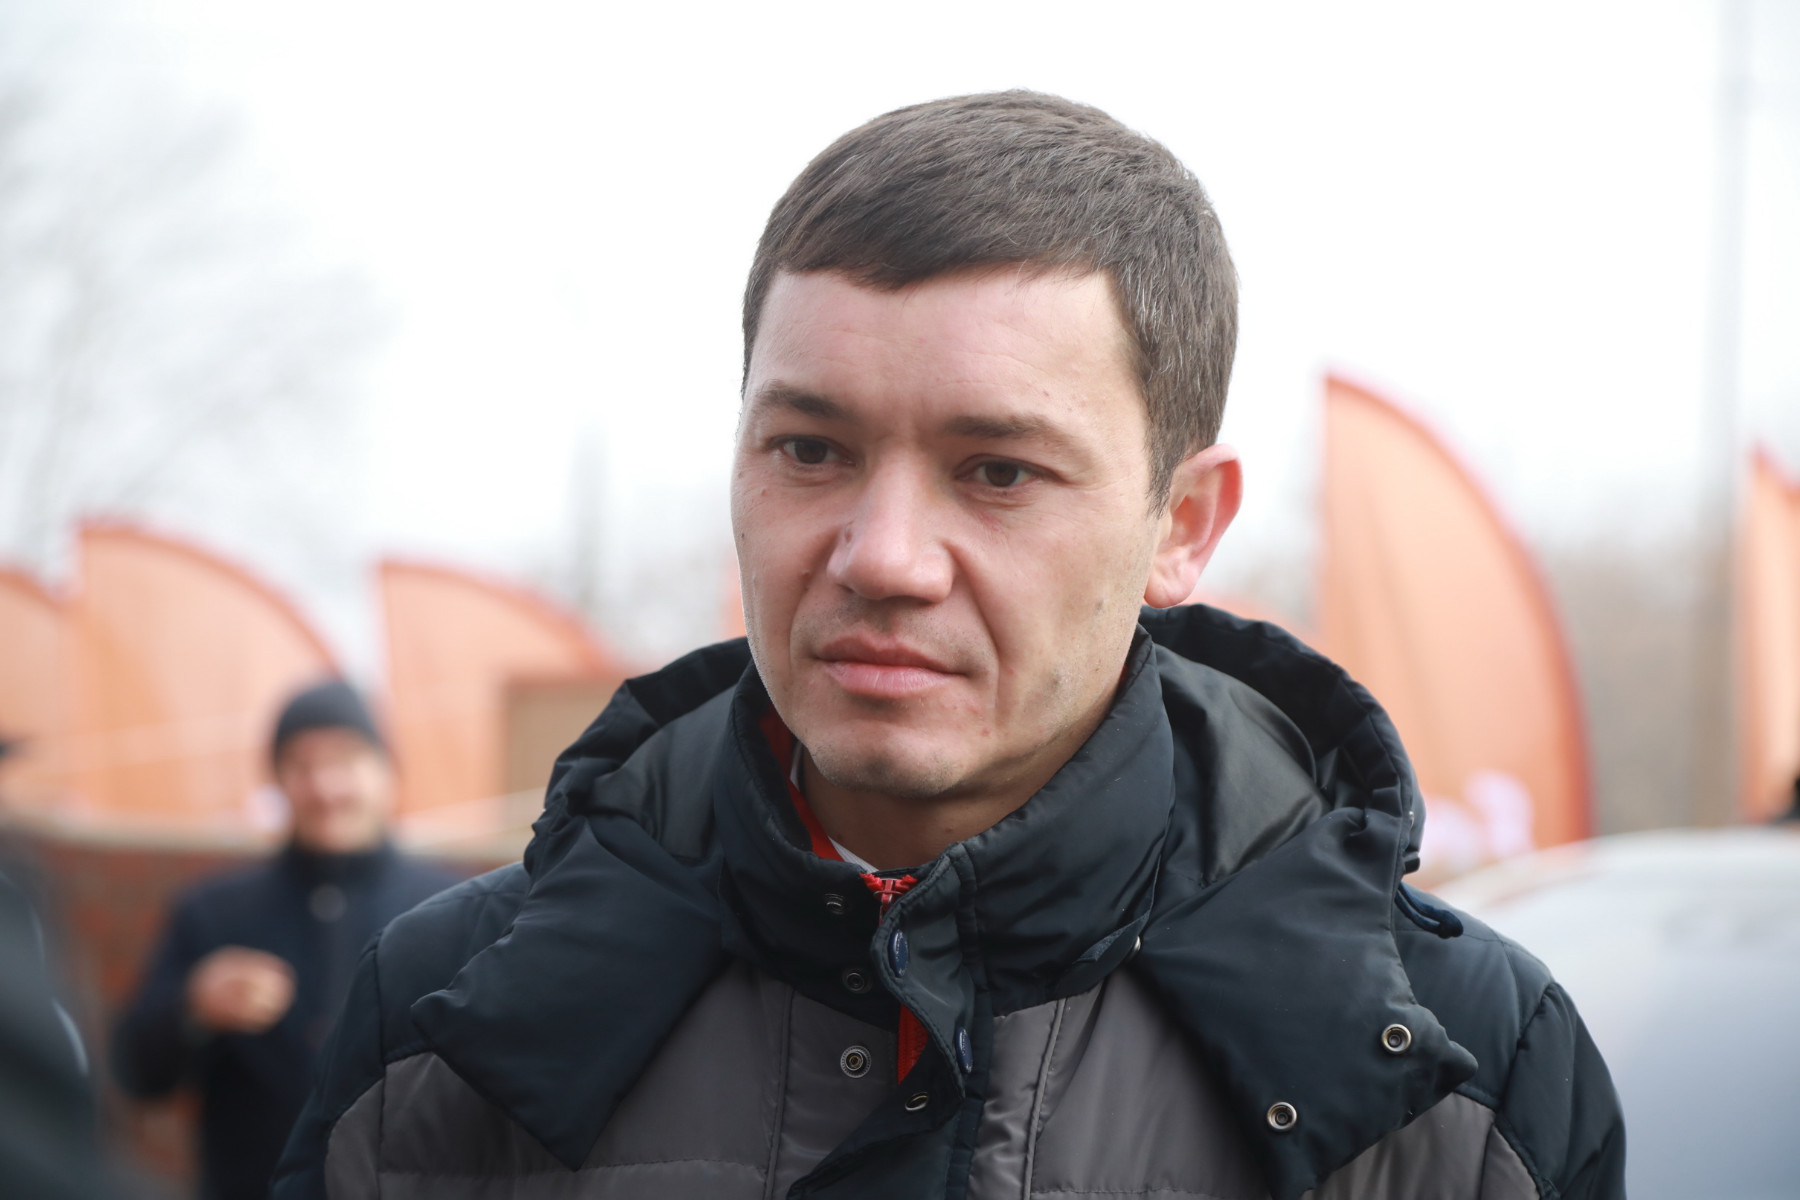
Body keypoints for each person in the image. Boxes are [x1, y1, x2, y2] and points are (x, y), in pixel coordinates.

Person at [275, 92, 1624, 1200]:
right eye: (812, 450)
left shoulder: (1460, 1076)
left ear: (1183, 526)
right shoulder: (445, 1024)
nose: (883, 557)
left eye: (997, 472)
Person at [113, 681, 456, 1200]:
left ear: (388, 771)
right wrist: (194, 1005)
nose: (324, 786)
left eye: (345, 759)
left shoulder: (450, 910)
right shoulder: (215, 912)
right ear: (277, 781)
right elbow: (135, 1071)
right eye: (301, 765)